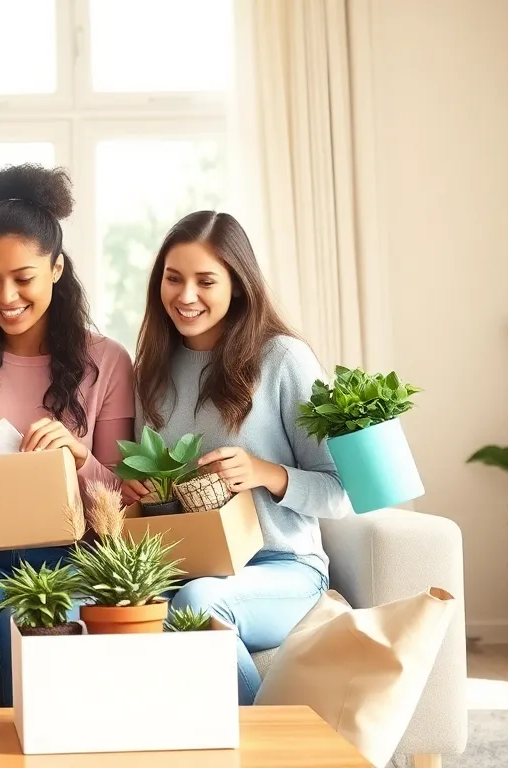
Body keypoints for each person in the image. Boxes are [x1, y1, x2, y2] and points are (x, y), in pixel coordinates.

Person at [0, 164, 136, 707]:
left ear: (57, 268)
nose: (6, 295)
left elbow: (125, 496)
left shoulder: (106, 361)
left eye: (23, 277)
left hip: (68, 553)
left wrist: (79, 455)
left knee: (28, 629)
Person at [125, 210, 351, 706]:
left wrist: (264, 473)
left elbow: (342, 492)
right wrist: (138, 491)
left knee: (198, 603)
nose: (186, 296)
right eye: (174, 279)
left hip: (283, 567)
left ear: (238, 285)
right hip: (185, 565)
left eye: (206, 281)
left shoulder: (283, 360)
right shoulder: (151, 372)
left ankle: (271, 750)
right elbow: (145, 482)